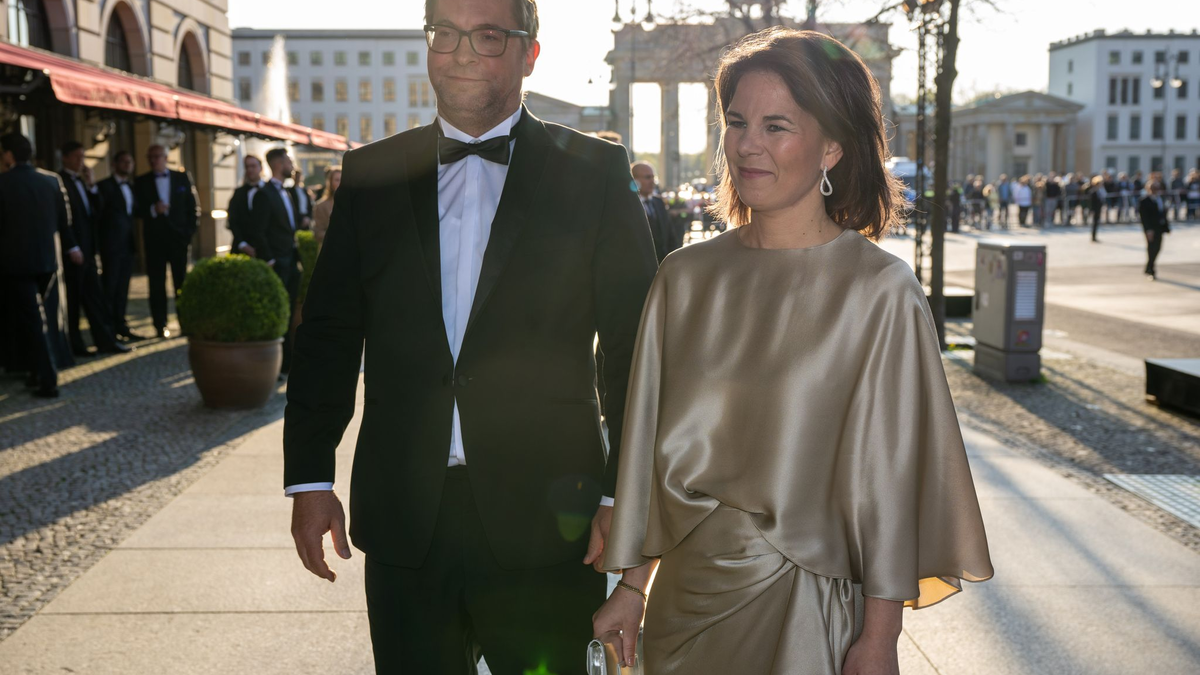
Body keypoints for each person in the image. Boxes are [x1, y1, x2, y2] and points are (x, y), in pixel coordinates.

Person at [595, 28, 993, 675]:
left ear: (832, 146)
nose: (747, 144)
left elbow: (890, 482)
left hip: (809, 612)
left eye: (776, 126)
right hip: (683, 611)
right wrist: (632, 588)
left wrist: (881, 635)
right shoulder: (682, 278)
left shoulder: (879, 291)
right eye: (737, 122)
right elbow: (648, 450)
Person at [282, 1, 658, 672]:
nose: (460, 52)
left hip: (551, 521)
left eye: (486, 35)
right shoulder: (369, 175)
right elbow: (329, 337)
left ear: (529, 53)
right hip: (405, 518)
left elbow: (634, 352)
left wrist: (617, 496)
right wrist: (309, 476)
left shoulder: (595, 173)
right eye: (444, 33)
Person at [0, 132, 73, 397]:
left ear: (9, 154)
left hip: (16, 264)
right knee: (30, 318)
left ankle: (48, 379)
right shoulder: (51, 180)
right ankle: (34, 372)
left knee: (32, 319)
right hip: (47, 262)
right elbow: (65, 221)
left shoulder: (4, 183)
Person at [58, 141, 128, 356]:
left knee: (95, 298)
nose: (81, 161)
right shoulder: (59, 181)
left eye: (83, 157)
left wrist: (92, 186)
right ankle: (75, 345)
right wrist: (72, 246)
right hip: (73, 252)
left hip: (88, 250)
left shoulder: (82, 181)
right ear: (65, 158)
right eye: (77, 157)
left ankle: (105, 341)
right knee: (73, 300)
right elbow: (62, 219)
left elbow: (97, 212)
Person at [246, 147, 303, 373]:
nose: (292, 165)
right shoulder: (264, 194)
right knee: (279, 313)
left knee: (289, 313)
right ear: (279, 164)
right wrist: (270, 260)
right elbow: (257, 232)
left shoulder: (286, 192)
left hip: (291, 261)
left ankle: (288, 363)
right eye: (289, 161)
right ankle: (279, 366)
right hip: (277, 263)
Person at [134, 145, 199, 338]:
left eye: (157, 156)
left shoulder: (181, 177)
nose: (154, 160)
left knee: (181, 283)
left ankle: (185, 323)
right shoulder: (141, 181)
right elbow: (135, 209)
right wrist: (153, 210)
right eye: (150, 157)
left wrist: (188, 234)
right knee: (156, 284)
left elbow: (193, 207)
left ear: (165, 157)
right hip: (155, 241)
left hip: (179, 240)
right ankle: (160, 325)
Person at [95, 150, 141, 341]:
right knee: (110, 288)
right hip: (111, 246)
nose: (127, 165)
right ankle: (108, 329)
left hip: (127, 245)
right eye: (123, 161)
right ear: (114, 164)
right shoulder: (103, 186)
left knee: (123, 288)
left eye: (130, 161)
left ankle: (121, 325)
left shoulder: (131, 186)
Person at [632, 161, 673, 260]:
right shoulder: (629, 206)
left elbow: (670, 234)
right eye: (647, 177)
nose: (652, 181)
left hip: (664, 262)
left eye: (653, 177)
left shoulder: (659, 202)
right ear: (634, 180)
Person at [226, 154, 264, 257]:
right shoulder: (238, 193)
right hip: (242, 248)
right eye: (247, 166)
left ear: (261, 168)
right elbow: (232, 220)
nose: (250, 169)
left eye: (253, 166)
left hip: (266, 249)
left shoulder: (270, 191)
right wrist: (242, 244)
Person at [1139, 181, 1170, 280]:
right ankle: (1151, 269)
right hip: (1151, 229)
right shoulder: (1144, 201)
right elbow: (1144, 217)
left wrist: (1166, 226)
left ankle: (1149, 267)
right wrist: (1148, 230)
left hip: (1159, 227)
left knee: (1158, 248)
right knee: (1152, 248)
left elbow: (1163, 213)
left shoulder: (1160, 199)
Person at [311, 164, 341, 245]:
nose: (340, 183)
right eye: (337, 180)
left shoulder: (353, 204)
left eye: (342, 180)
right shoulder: (321, 206)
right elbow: (318, 233)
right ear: (330, 182)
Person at [1087, 174, 1106, 242]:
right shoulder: (1093, 191)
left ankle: (1094, 236)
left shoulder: (1100, 190)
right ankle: (1093, 237)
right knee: (1094, 223)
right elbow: (1091, 202)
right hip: (1095, 209)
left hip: (1098, 209)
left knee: (1096, 223)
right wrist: (1091, 210)